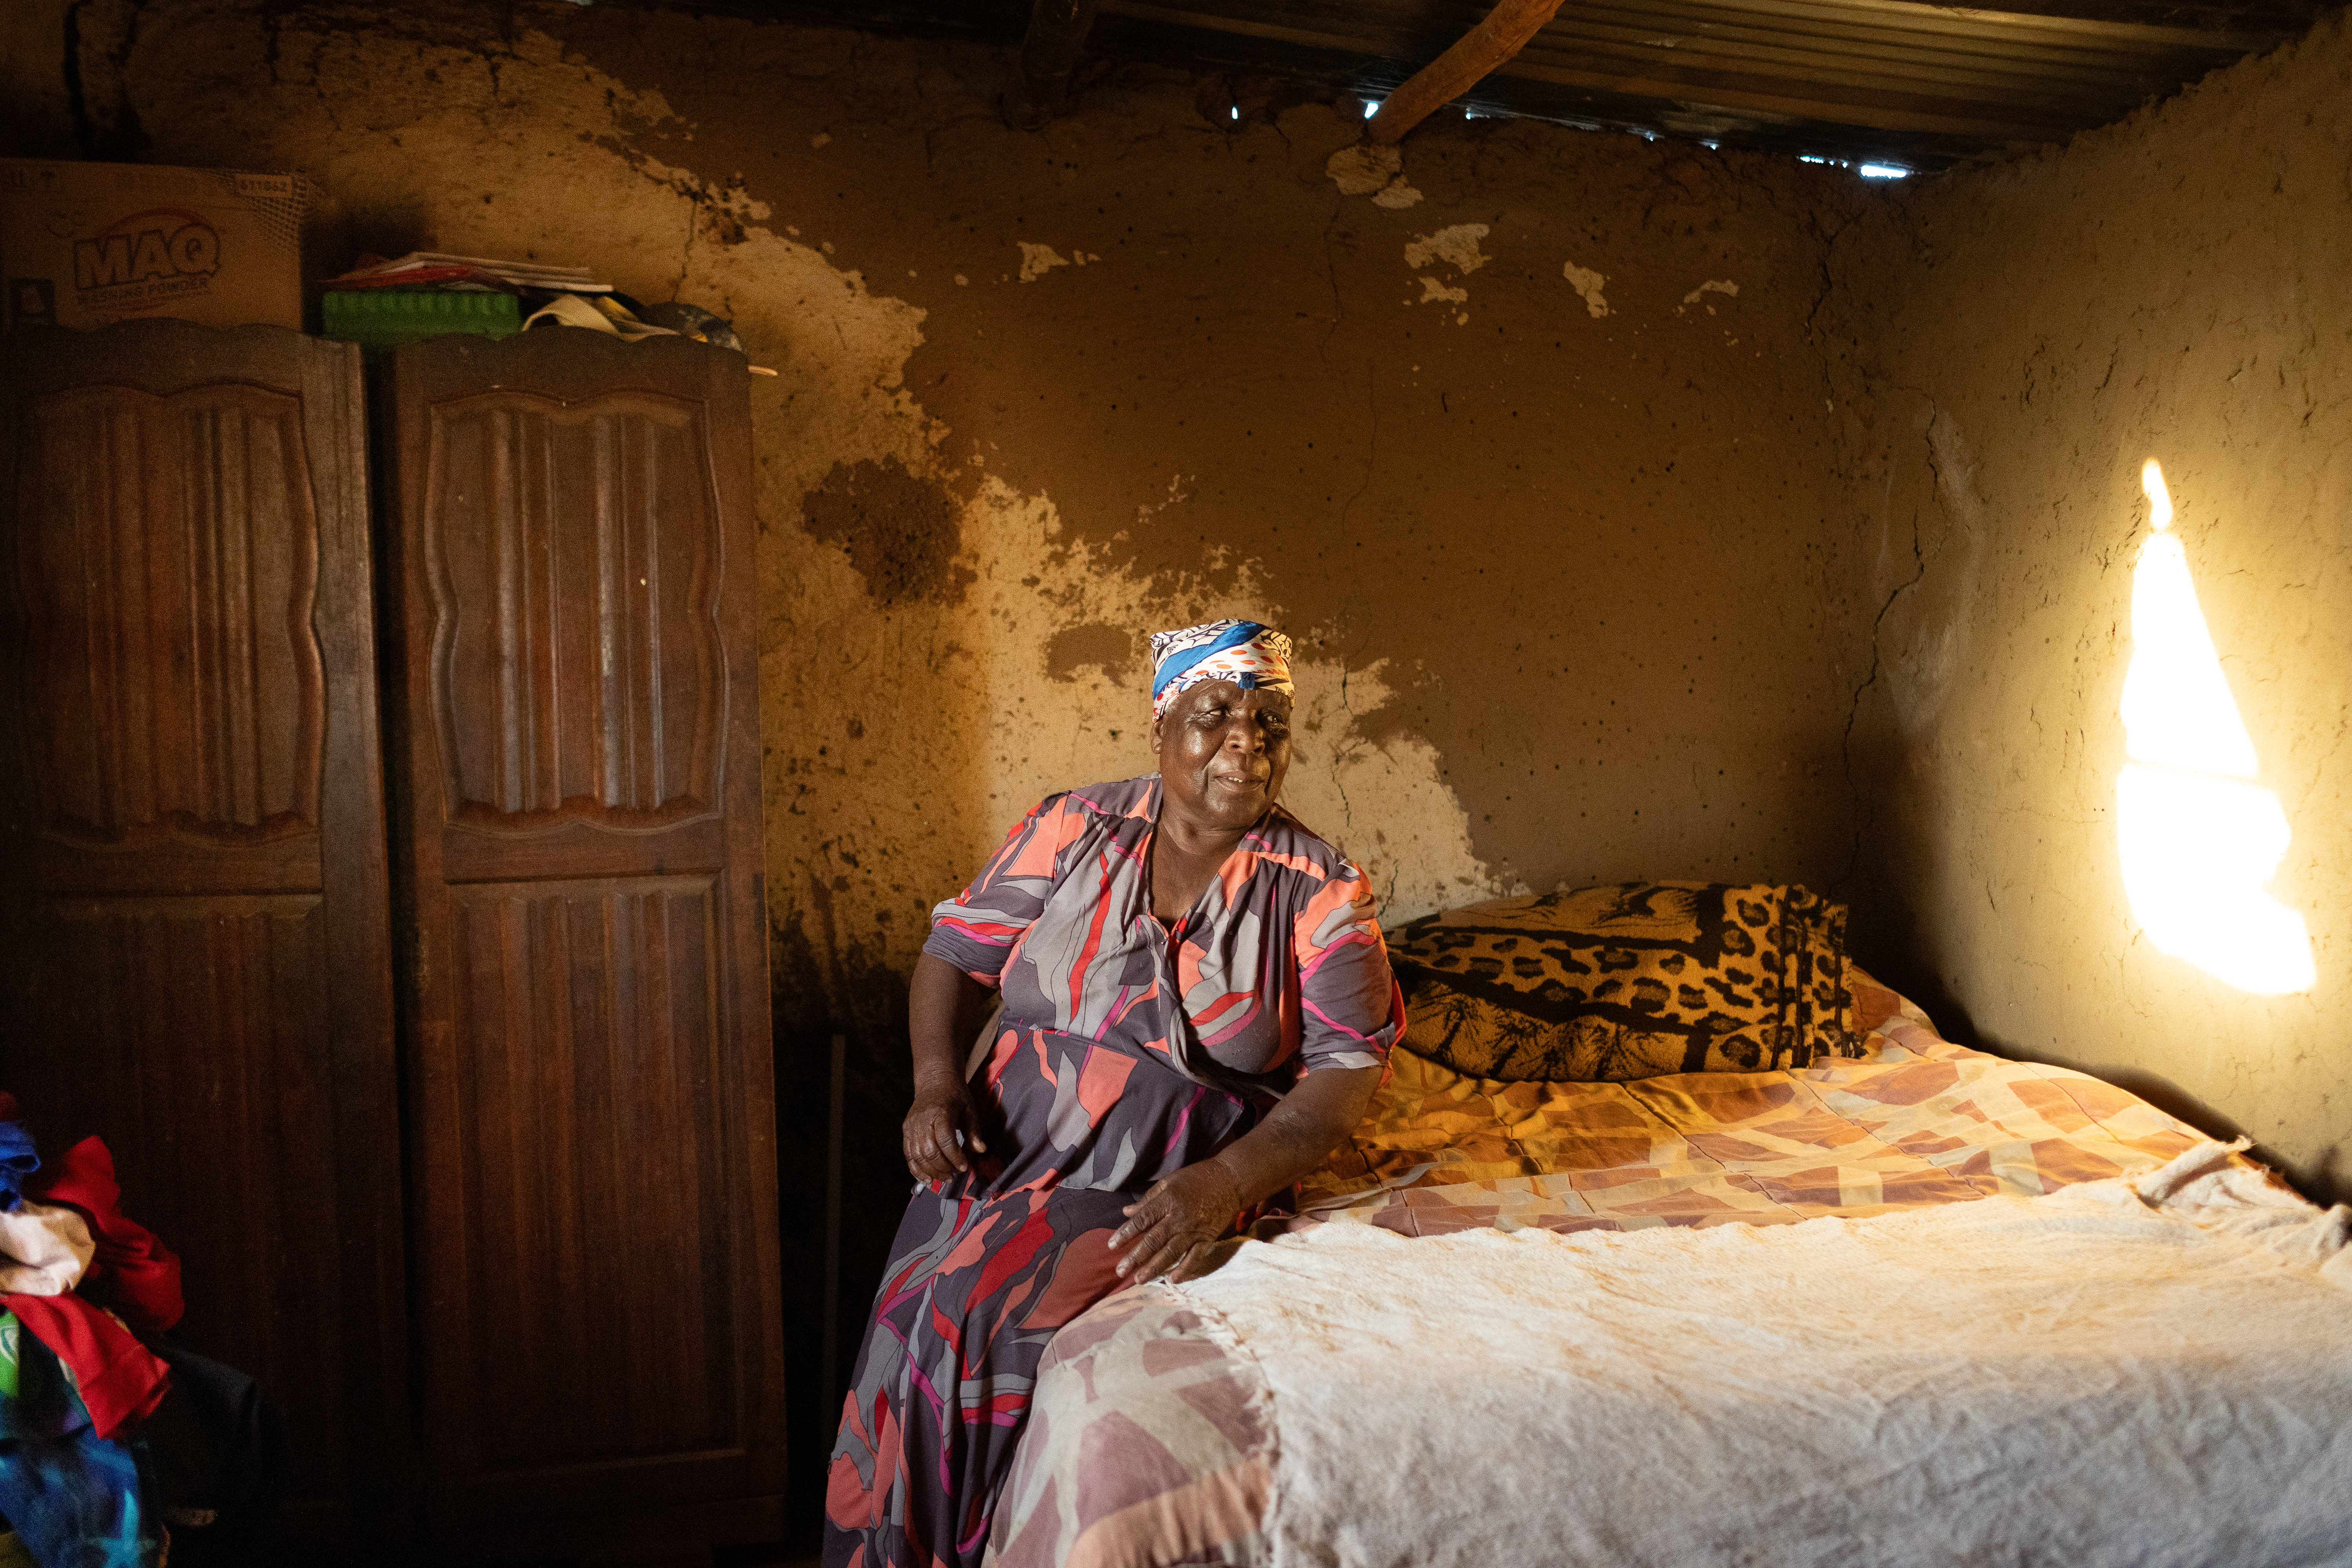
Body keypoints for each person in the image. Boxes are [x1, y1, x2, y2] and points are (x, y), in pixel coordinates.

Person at [822, 619, 1405, 1568]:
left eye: (1270, 721)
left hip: (1163, 1176)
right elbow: (955, 956)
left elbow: (1341, 1085)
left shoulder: (1322, 891)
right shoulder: (1074, 827)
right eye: (1215, 714)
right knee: (908, 1320)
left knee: (974, 1317)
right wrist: (934, 1086)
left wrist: (1220, 1189)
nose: (1245, 741)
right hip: (1000, 1148)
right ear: (1162, 723)